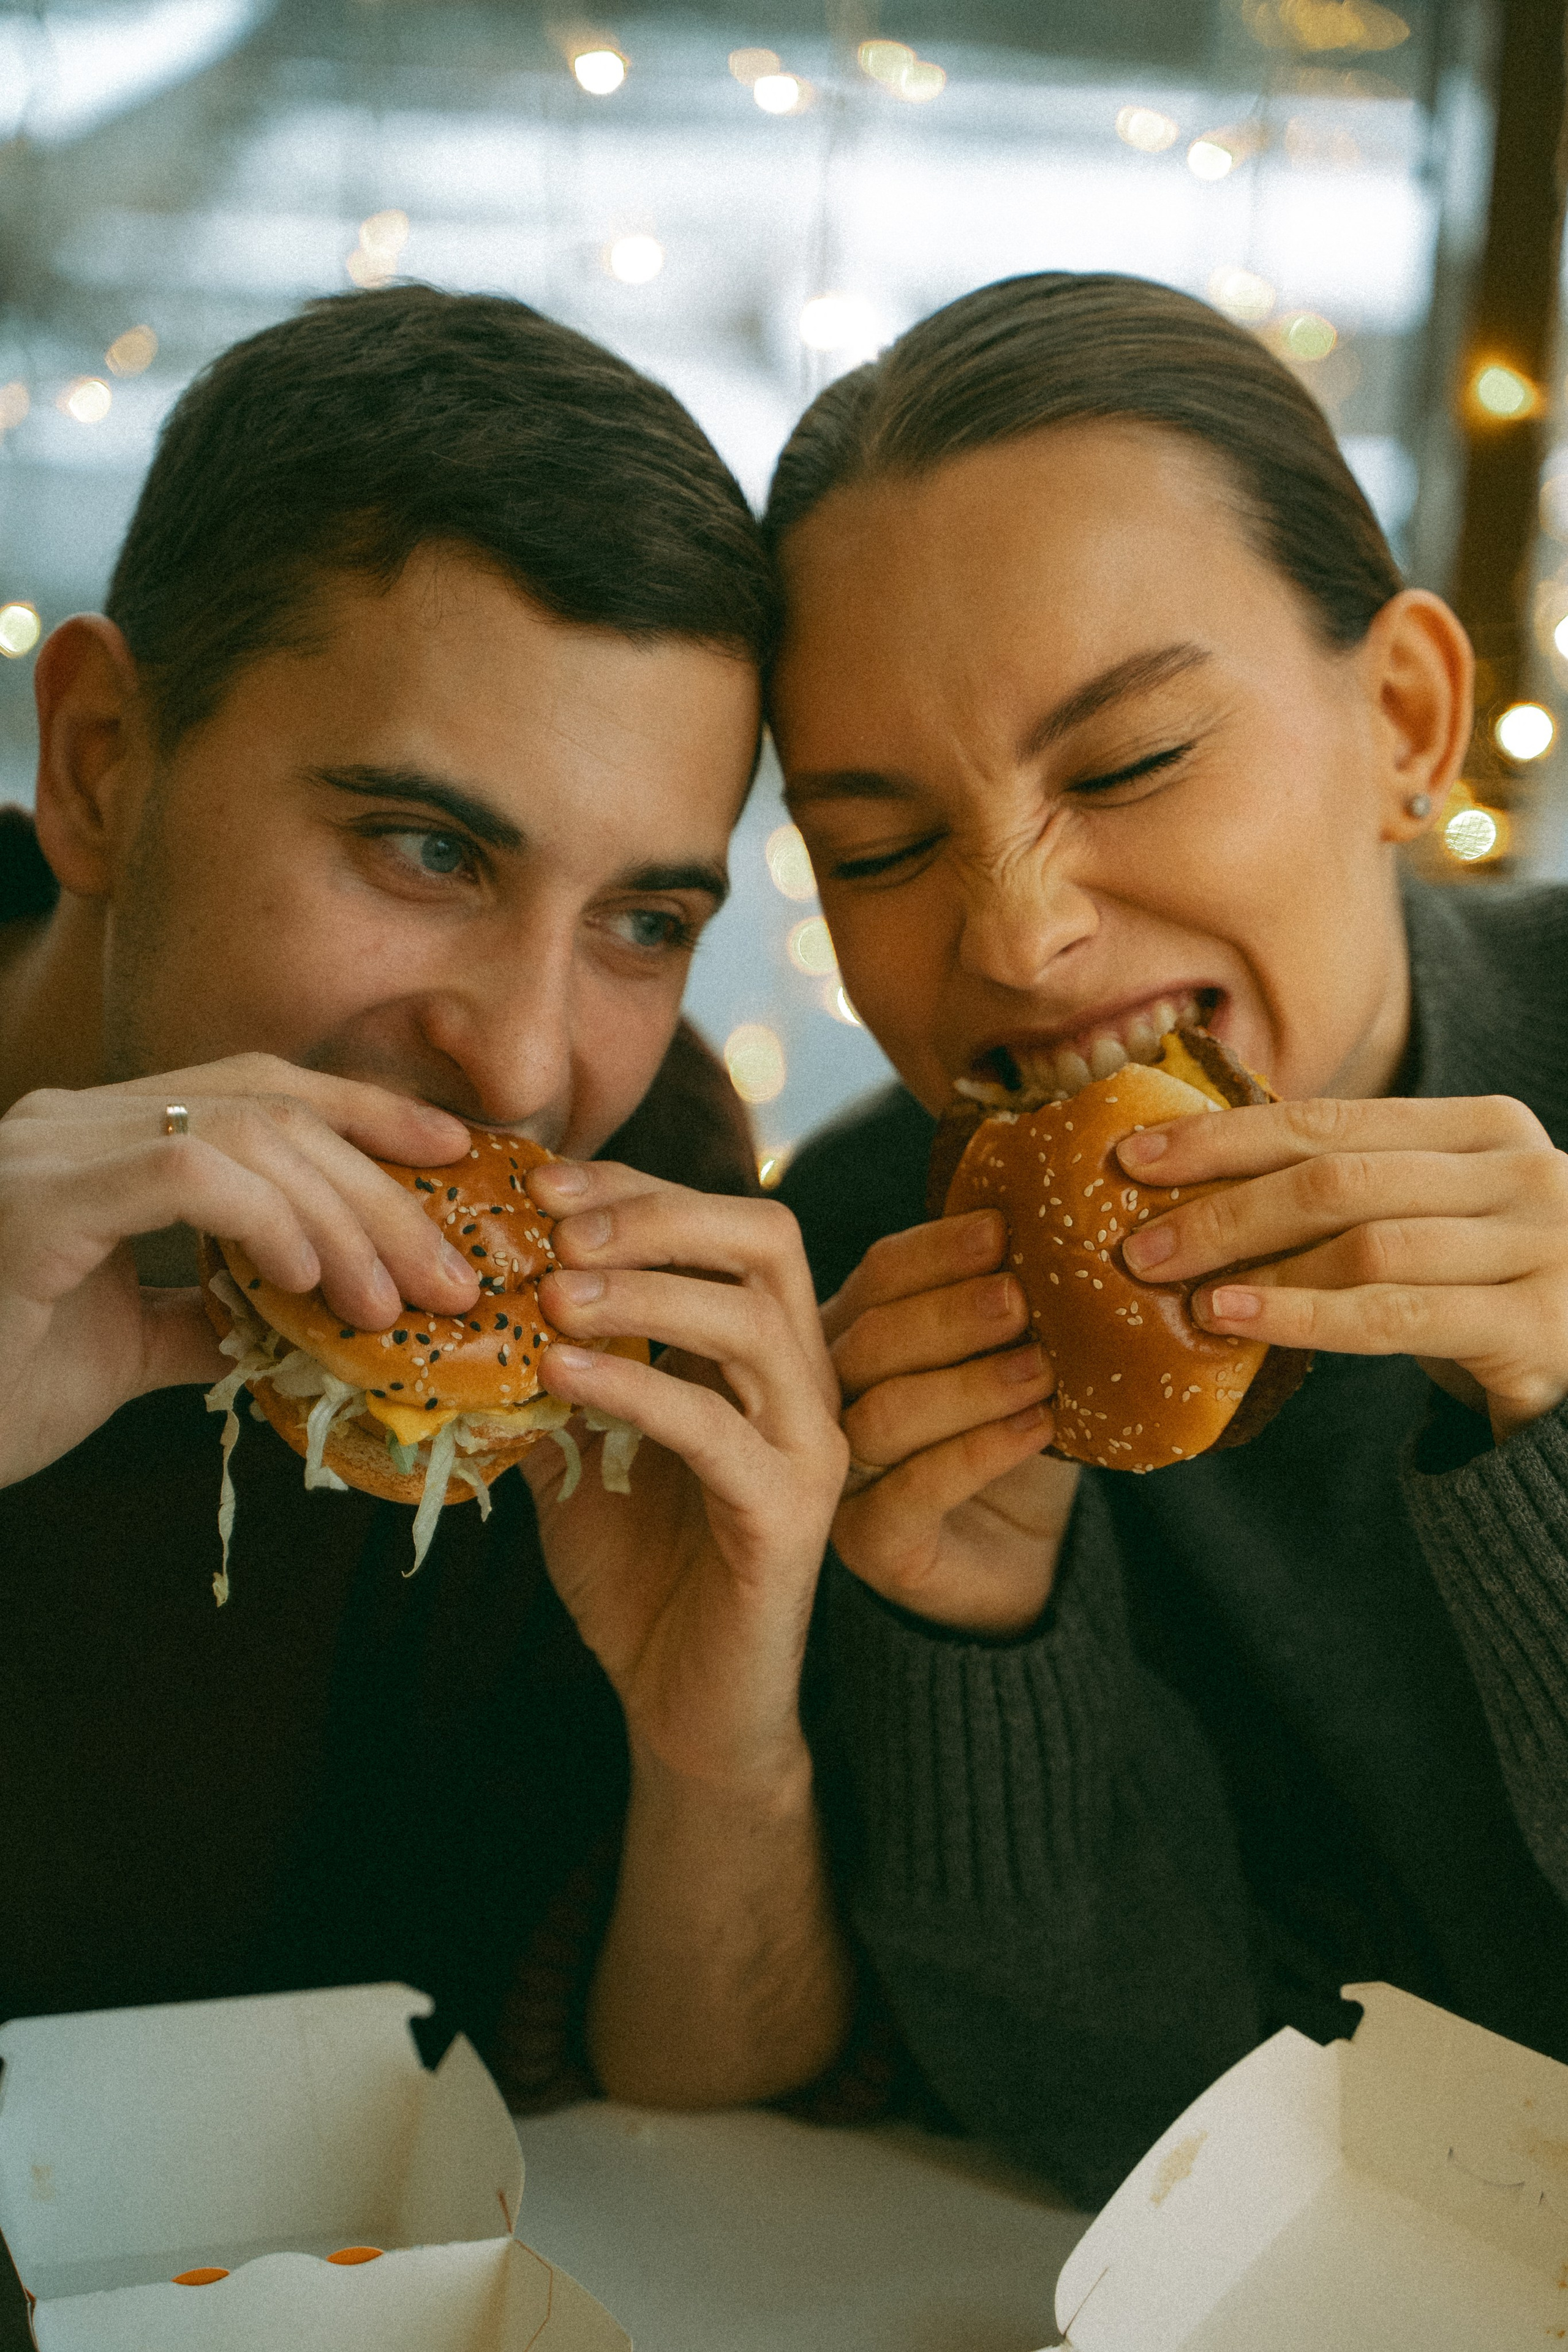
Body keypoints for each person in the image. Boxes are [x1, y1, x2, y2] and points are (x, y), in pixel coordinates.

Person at [0, 284, 855, 2117]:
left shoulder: (661, 1226)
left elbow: (684, 2144)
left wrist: (717, 1761)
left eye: (646, 922)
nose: (532, 1069)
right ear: (98, 771)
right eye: (427, 848)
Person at [766, 271, 1568, 2204]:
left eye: (1125, 765)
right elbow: (1124, 2123)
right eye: (876, 849)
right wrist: (975, 1642)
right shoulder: (874, 1264)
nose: (1018, 940)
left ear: (1406, 722)